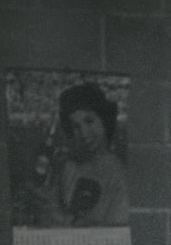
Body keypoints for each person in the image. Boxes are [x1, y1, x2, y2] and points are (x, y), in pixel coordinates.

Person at [55, 82, 130, 227]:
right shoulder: (69, 168)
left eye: (89, 121)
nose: (83, 133)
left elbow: (116, 235)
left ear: (104, 119)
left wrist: (64, 219)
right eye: (76, 126)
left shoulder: (120, 177)